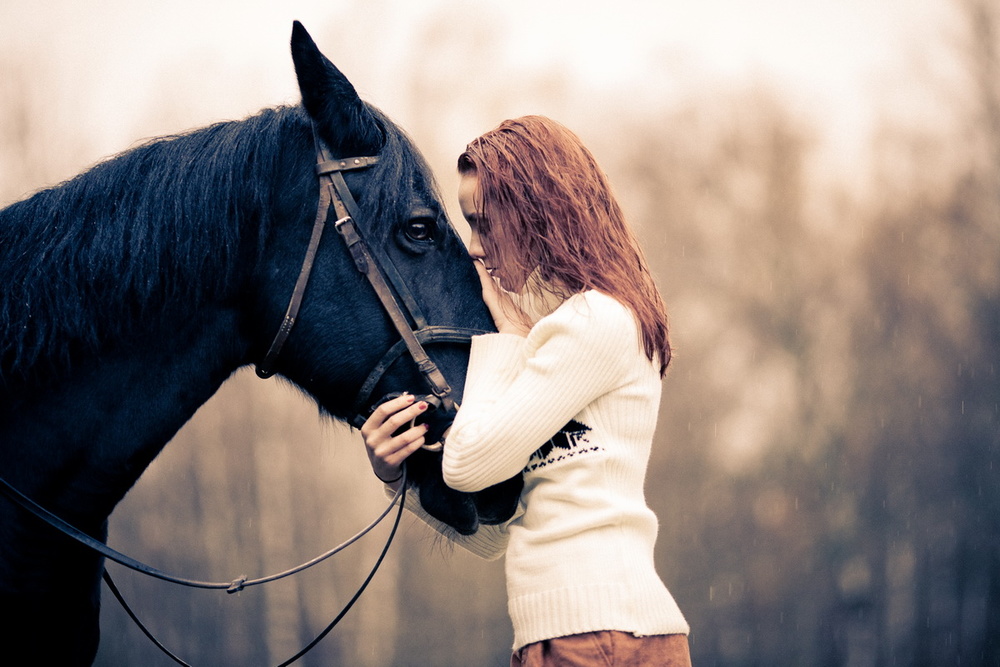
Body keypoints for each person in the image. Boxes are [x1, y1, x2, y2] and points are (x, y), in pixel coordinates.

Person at [361, 115, 692, 666]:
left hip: (600, 638)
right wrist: (395, 475)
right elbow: (494, 531)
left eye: (483, 223)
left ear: (540, 215)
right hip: (579, 635)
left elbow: (467, 465)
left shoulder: (596, 322)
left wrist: (506, 340)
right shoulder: (564, 335)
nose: (472, 247)